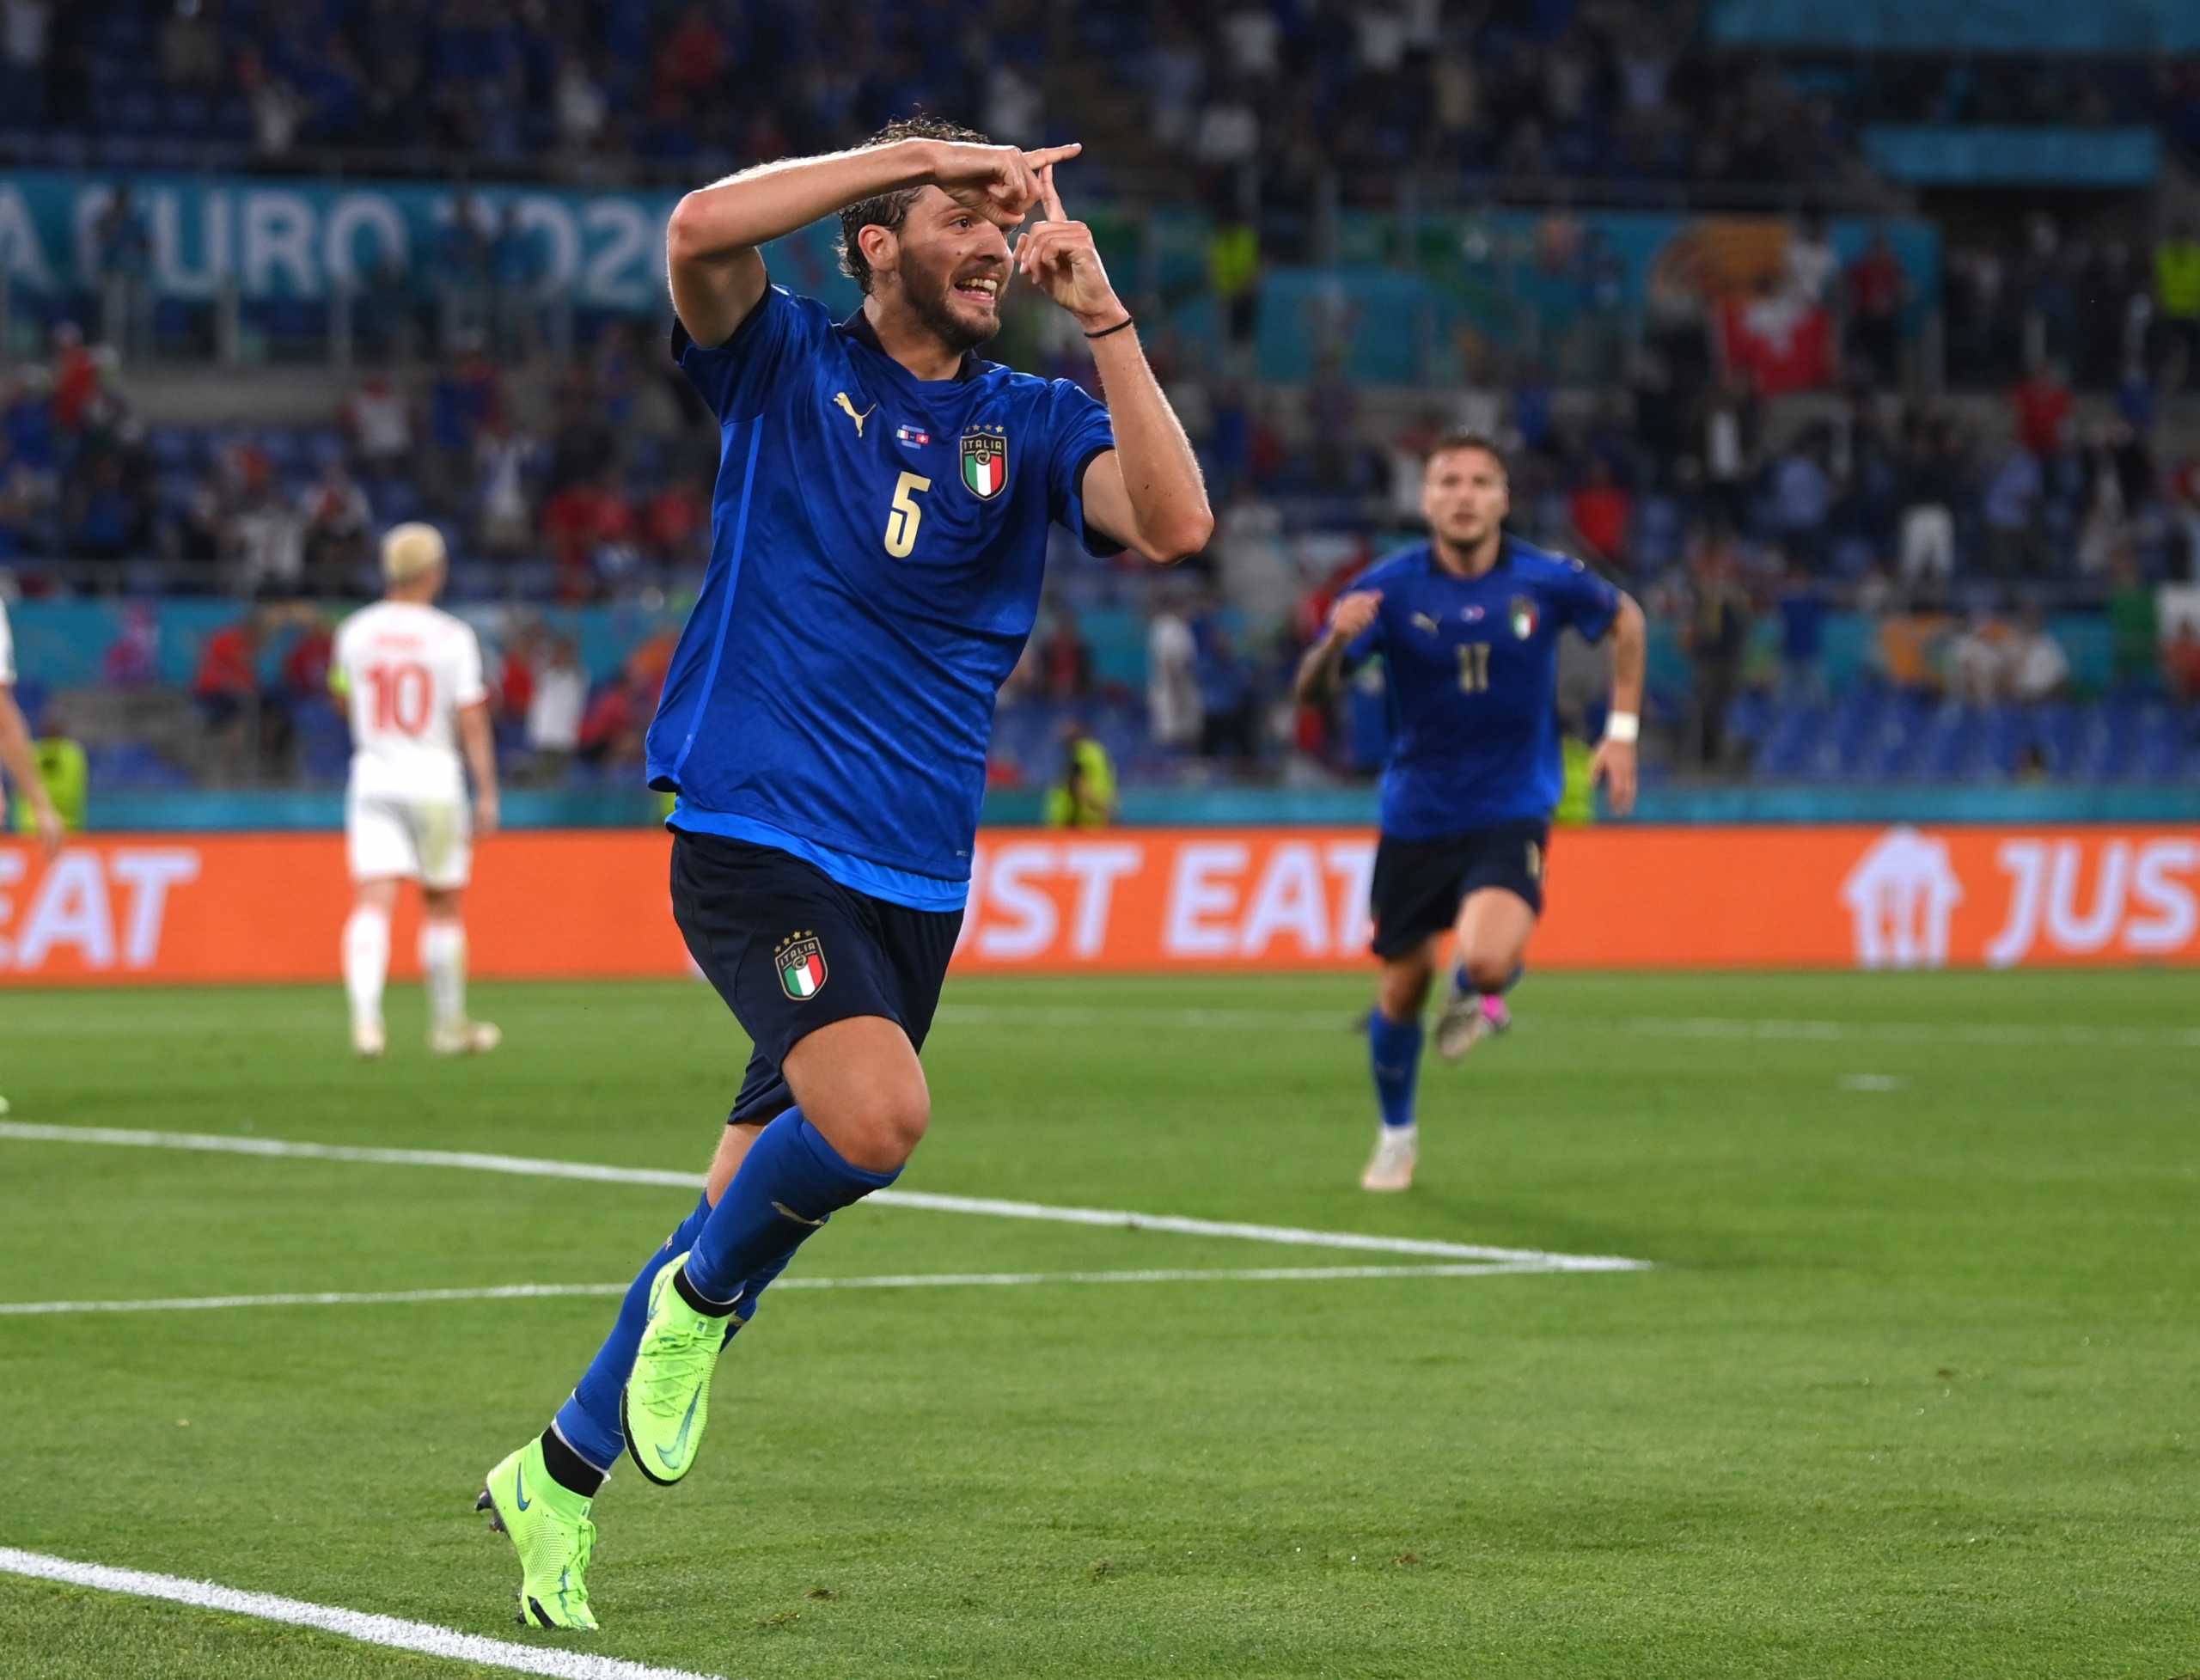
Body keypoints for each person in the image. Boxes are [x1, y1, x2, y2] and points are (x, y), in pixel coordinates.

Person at [474, 117, 1210, 1629]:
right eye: (960, 219)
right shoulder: (784, 358)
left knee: (740, 1203)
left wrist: (1108, 319)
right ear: (877, 239)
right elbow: (696, 226)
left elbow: (1175, 522)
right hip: (755, 833)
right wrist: (924, 152)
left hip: (913, 877)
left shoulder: (1032, 415)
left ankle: (557, 1472)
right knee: (876, 1121)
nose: (994, 243)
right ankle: (695, 1307)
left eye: (1004, 223)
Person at [1292, 431, 1643, 1194]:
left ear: (1503, 499)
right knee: (1400, 991)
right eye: (1448, 481)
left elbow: (1628, 620)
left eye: (1481, 482)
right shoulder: (1387, 588)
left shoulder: (1546, 578)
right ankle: (1397, 1136)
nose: (1464, 495)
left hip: (1511, 808)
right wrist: (1334, 646)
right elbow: (1309, 694)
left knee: (1485, 959)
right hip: (1416, 816)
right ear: (1425, 500)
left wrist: (1621, 732)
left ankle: (1478, 990)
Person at [331, 524, 502, 1060]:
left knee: (372, 900)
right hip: (434, 780)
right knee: (442, 906)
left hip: (373, 776)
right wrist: (487, 790)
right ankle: (448, 1026)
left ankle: (366, 1023)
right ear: (433, 572)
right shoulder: (451, 636)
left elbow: (342, 697)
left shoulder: (355, 631)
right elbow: (471, 719)